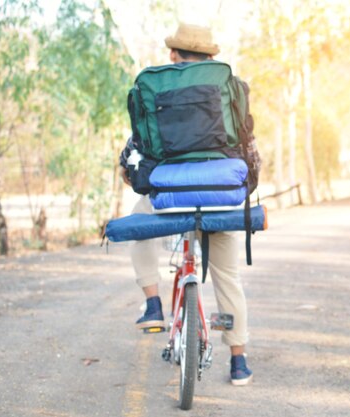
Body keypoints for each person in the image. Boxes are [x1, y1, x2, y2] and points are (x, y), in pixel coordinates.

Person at [119, 23, 253, 386]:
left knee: (138, 226)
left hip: (169, 197)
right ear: (211, 57)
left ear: (173, 55)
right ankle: (238, 361)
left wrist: (128, 171)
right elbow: (246, 141)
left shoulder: (156, 86)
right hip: (217, 196)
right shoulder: (229, 86)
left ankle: (153, 305)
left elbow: (136, 149)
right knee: (227, 277)